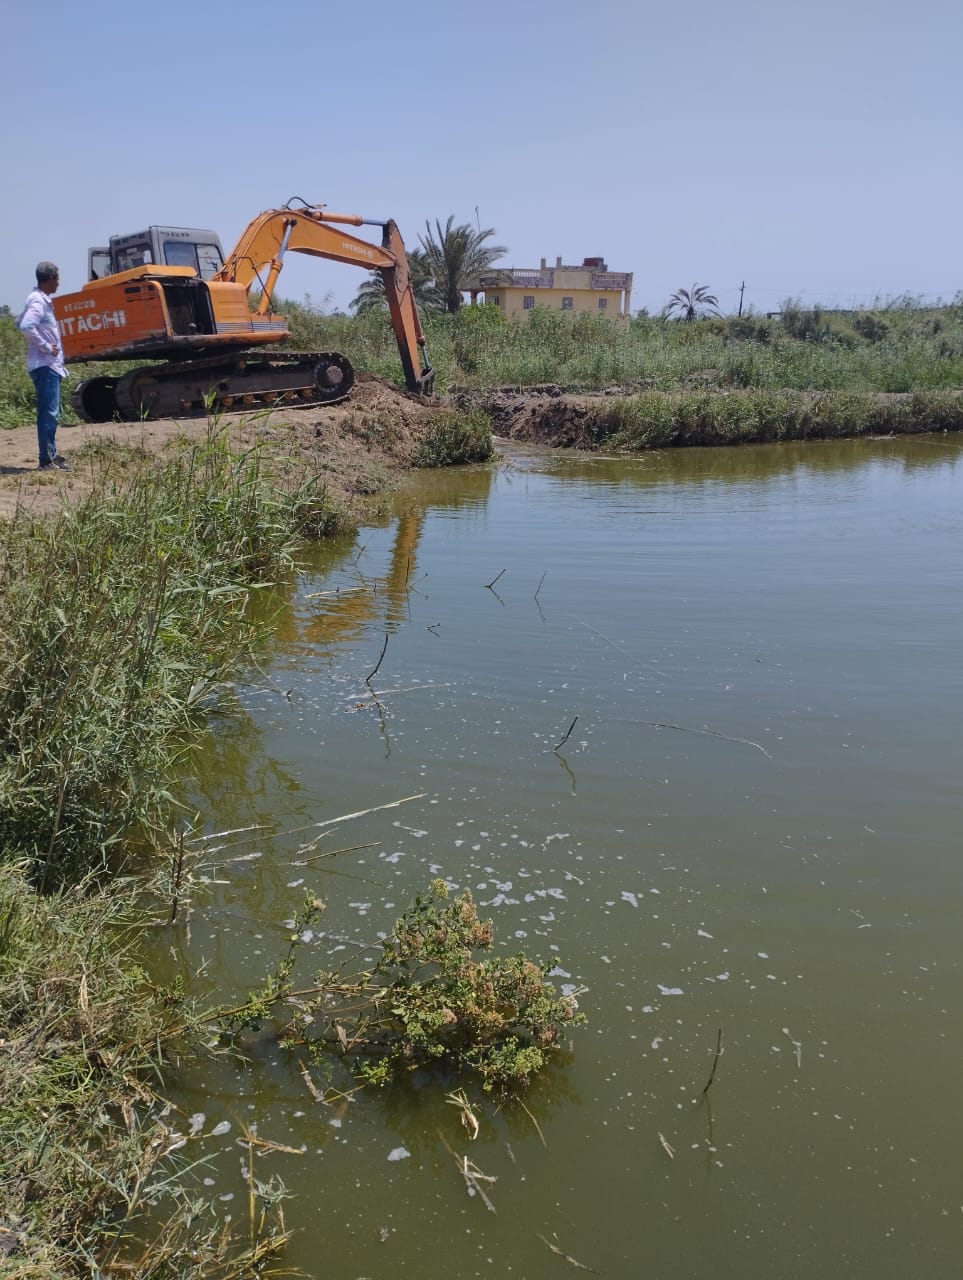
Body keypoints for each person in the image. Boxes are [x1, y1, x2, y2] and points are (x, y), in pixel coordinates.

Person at [17, 261, 70, 471]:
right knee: (49, 413)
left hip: (47, 364)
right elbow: (26, 325)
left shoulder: (38, 300)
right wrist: (47, 346)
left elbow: (19, 321)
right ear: (50, 278)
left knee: (51, 412)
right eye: (57, 278)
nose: (59, 282)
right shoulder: (38, 301)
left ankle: (51, 454)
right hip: (45, 364)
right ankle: (47, 459)